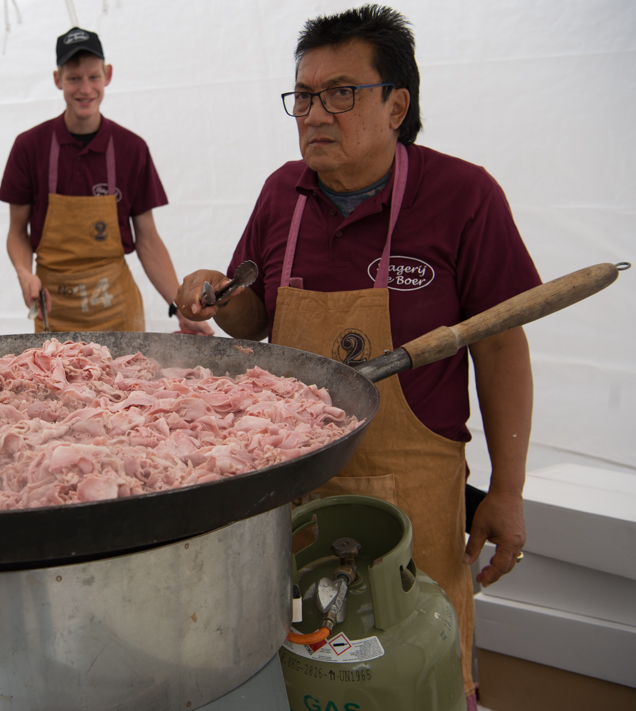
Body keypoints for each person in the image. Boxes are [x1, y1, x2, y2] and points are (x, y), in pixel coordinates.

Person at [174, 6, 539, 706]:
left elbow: (501, 346)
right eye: (304, 96)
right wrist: (217, 296)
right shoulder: (283, 193)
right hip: (291, 494)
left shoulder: (463, 196)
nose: (315, 114)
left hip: (411, 496)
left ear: (396, 105)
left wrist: (508, 489)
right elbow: (256, 317)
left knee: (413, 672)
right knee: (306, 674)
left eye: (340, 93)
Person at [0, 27, 212, 335]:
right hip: (54, 315)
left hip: (118, 315)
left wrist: (180, 307)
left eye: (93, 77)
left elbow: (148, 239)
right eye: (74, 78)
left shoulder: (132, 148)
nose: (85, 88)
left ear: (107, 75)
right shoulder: (29, 147)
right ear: (58, 79)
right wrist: (23, 272)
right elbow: (17, 231)